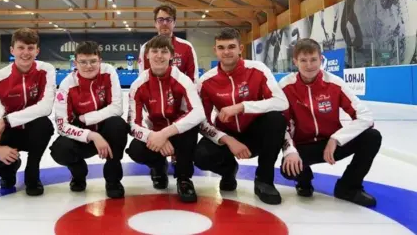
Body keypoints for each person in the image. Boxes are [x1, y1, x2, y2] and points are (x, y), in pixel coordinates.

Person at [279, 38, 382, 208]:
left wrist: (336, 139)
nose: (309, 65)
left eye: (313, 59)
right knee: (287, 168)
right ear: (295, 61)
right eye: (303, 60)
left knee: (372, 137)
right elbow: (280, 124)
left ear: (321, 59)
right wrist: (290, 151)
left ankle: (348, 187)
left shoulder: (334, 84)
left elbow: (365, 117)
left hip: (332, 144)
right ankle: (304, 179)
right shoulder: (285, 87)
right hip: (303, 146)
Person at [194, 28, 289, 205]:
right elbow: (201, 121)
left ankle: (264, 180)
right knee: (200, 156)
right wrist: (227, 140)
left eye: (231, 46)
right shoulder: (206, 81)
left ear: (240, 48)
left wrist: (242, 107)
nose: (227, 52)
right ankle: (228, 171)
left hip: (255, 133)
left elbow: (281, 102)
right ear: (215, 50)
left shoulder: (257, 69)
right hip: (227, 136)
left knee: (276, 119)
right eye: (221, 47)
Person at [0, 28, 55, 196]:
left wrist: (6, 119)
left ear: (37, 51)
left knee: (44, 124)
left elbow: (46, 107)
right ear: (12, 50)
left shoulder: (46, 70)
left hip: (33, 130)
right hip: (11, 133)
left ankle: (32, 174)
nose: (26, 53)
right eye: (21, 48)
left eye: (31, 48)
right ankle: (9, 172)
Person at [127, 35, 205, 203]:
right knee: (135, 149)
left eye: (164, 51)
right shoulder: (138, 85)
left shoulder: (182, 80)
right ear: (147, 55)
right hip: (155, 133)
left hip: (179, 132)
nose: (159, 56)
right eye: (154, 51)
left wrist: (166, 133)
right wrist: (155, 137)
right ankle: (158, 167)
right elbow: (133, 124)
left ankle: (184, 178)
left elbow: (198, 112)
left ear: (171, 56)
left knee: (190, 127)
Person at [49, 41, 128, 198]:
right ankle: (79, 174)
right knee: (59, 150)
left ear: (100, 60)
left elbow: (117, 108)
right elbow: (62, 126)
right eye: (83, 62)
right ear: (75, 63)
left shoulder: (108, 72)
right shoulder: (66, 85)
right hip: (82, 136)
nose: (88, 66)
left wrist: (86, 118)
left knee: (118, 125)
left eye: (93, 61)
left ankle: (113, 180)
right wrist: (91, 135)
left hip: (107, 133)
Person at [138, 3, 199, 82]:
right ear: (155, 23)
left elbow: (193, 79)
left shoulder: (187, 47)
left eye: (168, 19)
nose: (164, 23)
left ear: (174, 23)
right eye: (160, 20)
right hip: (155, 93)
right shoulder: (146, 47)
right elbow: (143, 78)